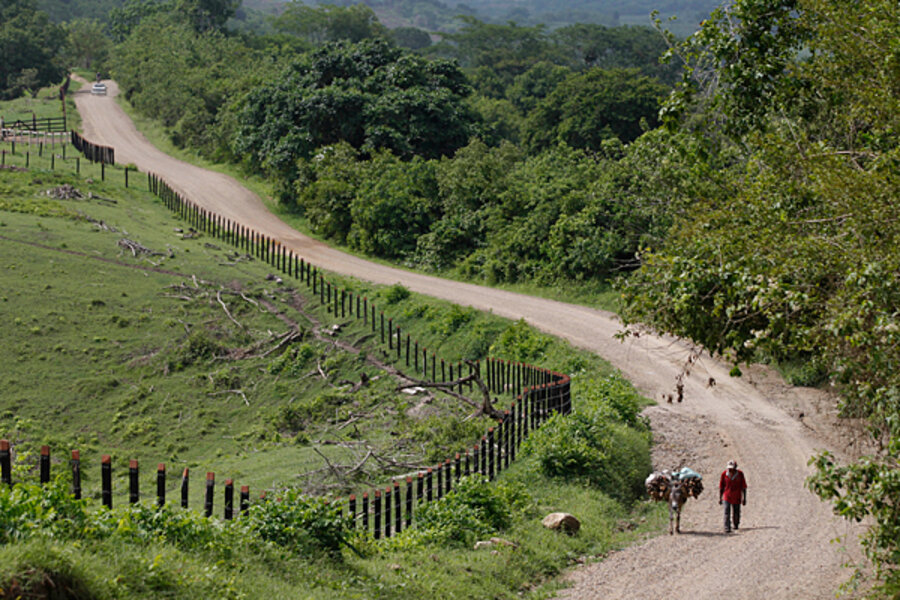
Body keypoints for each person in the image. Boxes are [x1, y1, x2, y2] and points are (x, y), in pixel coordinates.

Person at [719, 460, 747, 533]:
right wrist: (720, 498)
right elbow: (721, 487)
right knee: (726, 512)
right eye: (729, 468)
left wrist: (744, 498)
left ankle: (736, 524)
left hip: (737, 496)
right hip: (727, 496)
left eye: (732, 468)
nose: (731, 470)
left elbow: (743, 487)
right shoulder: (724, 474)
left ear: (735, 468)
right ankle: (727, 527)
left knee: (736, 512)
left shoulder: (740, 474)